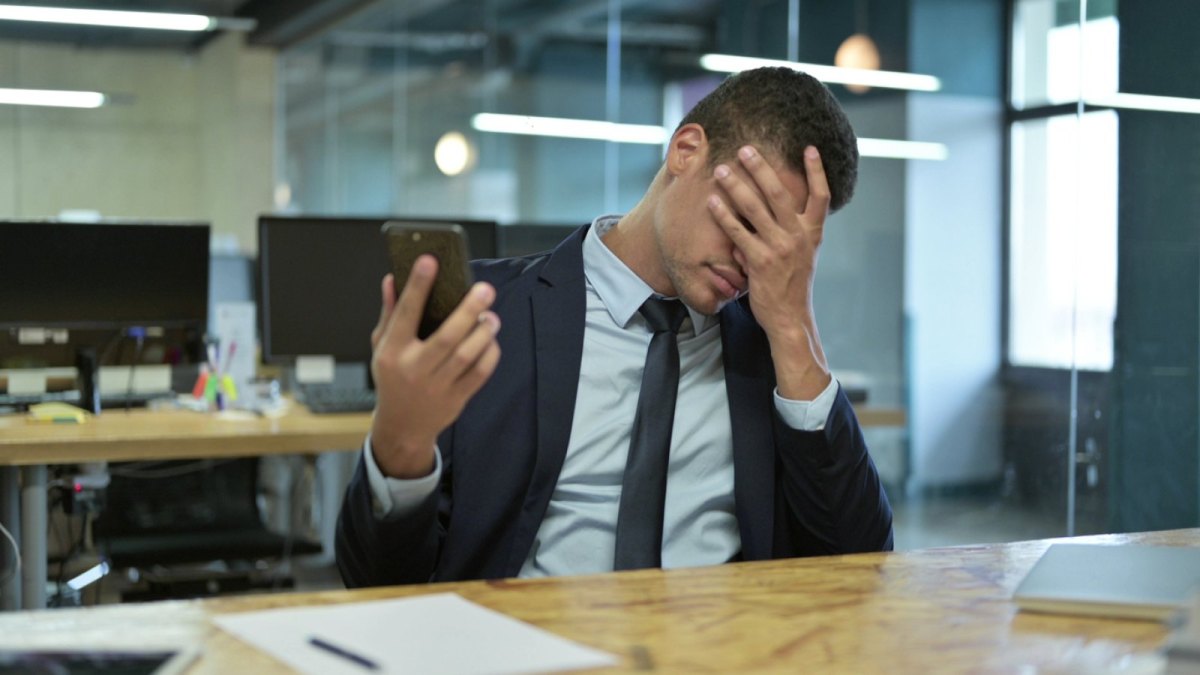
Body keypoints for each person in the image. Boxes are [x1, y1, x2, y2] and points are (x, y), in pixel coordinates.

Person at [336, 67, 893, 587]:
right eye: (747, 221)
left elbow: (862, 567)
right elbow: (375, 582)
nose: (752, 259)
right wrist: (400, 444)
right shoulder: (487, 315)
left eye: (777, 245)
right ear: (686, 151)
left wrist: (794, 332)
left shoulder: (772, 352)